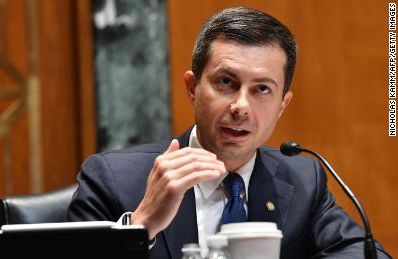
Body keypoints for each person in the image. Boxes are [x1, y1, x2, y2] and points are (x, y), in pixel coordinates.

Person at [67, 7, 391, 259]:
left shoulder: (302, 179)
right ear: (192, 88)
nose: (241, 106)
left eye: (262, 89)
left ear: (282, 105)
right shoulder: (113, 179)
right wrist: (140, 227)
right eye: (226, 82)